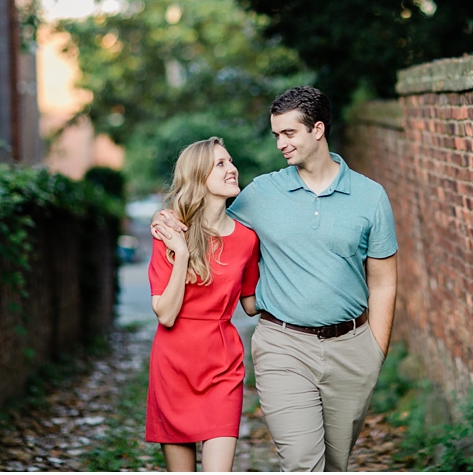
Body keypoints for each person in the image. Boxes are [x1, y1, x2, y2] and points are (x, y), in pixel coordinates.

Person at [153, 86, 398, 471]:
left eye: (289, 133)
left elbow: (384, 280)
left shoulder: (370, 196)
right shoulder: (263, 192)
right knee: (302, 461)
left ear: (317, 130)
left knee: (334, 463)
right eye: (276, 135)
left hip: (352, 348)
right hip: (283, 344)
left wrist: (375, 351)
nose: (280, 144)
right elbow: (209, 216)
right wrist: (166, 219)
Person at [145, 137, 260, 472]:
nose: (232, 169)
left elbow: (251, 304)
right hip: (173, 366)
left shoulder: (247, 238)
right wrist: (181, 253)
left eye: (231, 161)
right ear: (198, 176)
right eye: (220, 164)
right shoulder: (169, 229)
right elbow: (165, 314)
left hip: (222, 367)